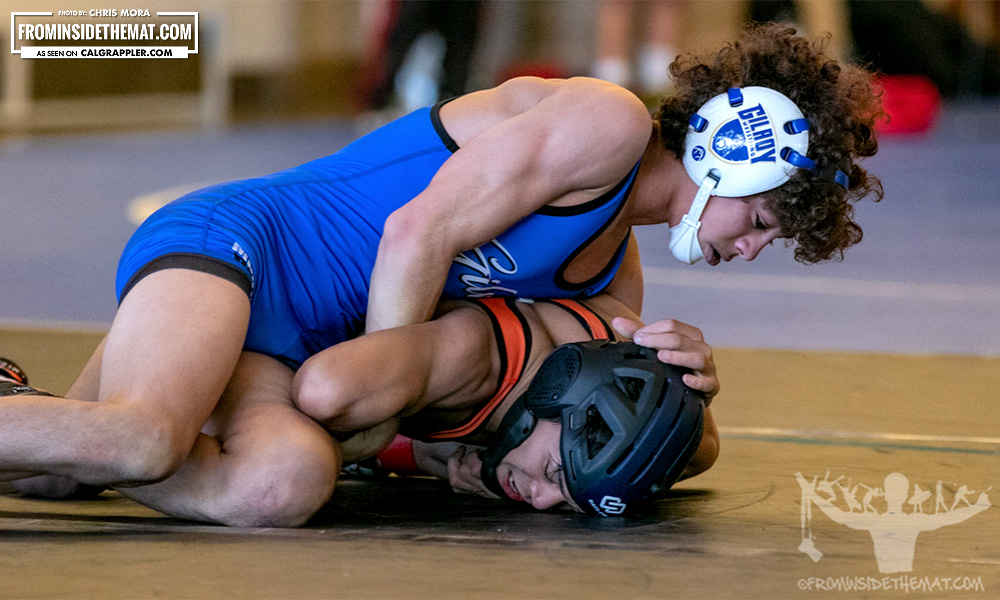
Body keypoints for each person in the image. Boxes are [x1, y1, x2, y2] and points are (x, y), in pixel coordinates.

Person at [0, 23, 882, 510]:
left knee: (277, 484)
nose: (751, 249)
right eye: (761, 221)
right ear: (729, 154)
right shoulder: (604, 125)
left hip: (296, 350)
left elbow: (662, 442)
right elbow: (415, 232)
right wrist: (380, 404)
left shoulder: (610, 271)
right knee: (143, 439)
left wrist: (697, 387)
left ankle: (30, 417)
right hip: (247, 249)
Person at [3, 292, 718, 524]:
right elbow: (326, 391)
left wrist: (697, 384)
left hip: (258, 336)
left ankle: (28, 409)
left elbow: (701, 448)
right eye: (554, 477)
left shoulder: (599, 406)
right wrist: (421, 453)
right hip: (251, 322)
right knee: (282, 480)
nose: (539, 500)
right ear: (558, 397)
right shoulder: (476, 356)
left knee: (53, 478)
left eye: (566, 498)